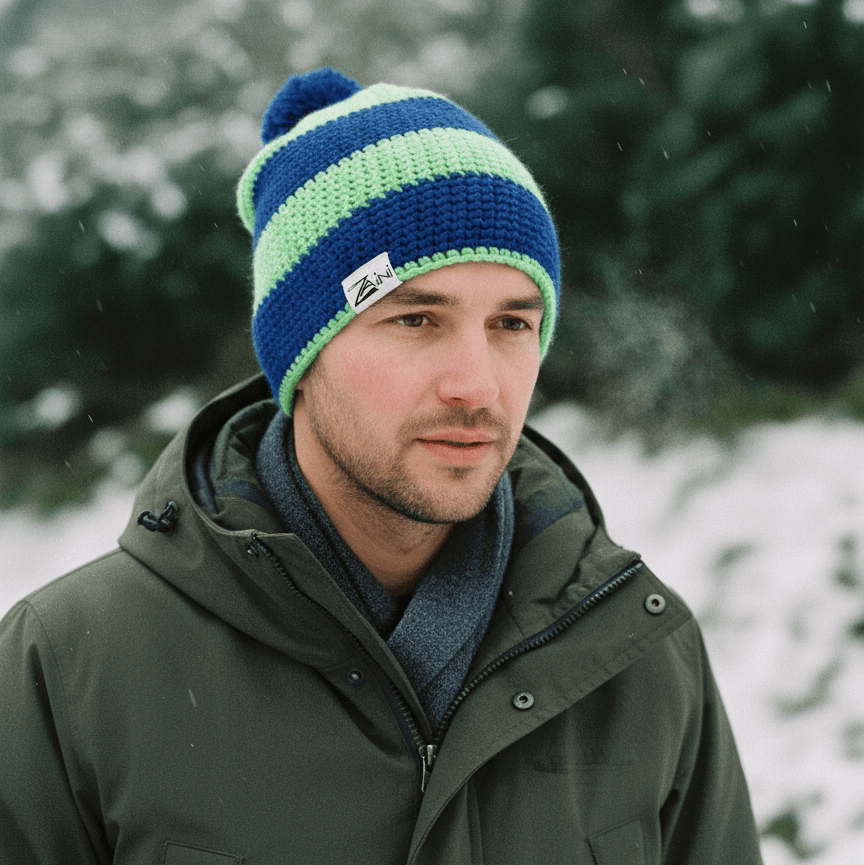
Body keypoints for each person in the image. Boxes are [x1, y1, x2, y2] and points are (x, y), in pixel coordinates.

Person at [0, 68, 762, 865]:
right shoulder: (69, 671)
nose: (476, 384)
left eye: (511, 322)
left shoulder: (639, 660)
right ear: (302, 352)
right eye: (415, 317)